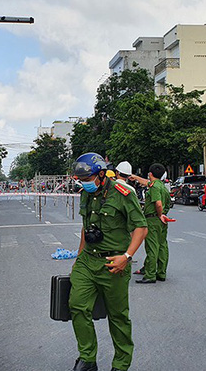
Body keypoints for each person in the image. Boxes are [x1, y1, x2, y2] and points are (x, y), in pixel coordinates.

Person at [69, 153, 148, 371]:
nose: (84, 184)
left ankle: (121, 364)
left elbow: (141, 228)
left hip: (114, 263)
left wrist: (127, 257)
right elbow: (86, 228)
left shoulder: (123, 194)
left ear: (101, 175)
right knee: (77, 306)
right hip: (87, 260)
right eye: (81, 180)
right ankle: (87, 358)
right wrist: (78, 258)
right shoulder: (85, 194)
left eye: (87, 179)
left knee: (118, 316)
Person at [130, 164, 171, 284]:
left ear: (150, 174)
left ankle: (150, 274)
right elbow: (148, 183)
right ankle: (161, 273)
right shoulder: (161, 186)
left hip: (153, 219)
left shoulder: (154, 188)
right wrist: (136, 177)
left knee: (152, 247)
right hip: (163, 219)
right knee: (162, 246)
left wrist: (159, 214)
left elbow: (158, 203)